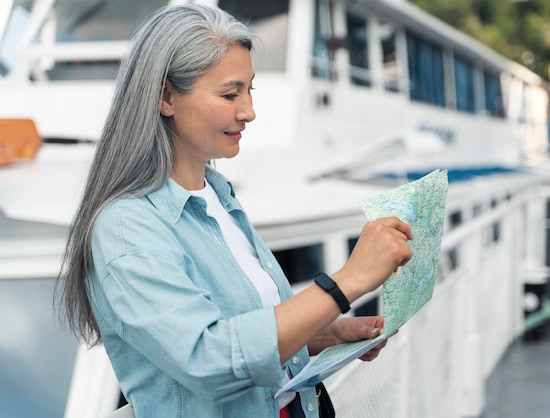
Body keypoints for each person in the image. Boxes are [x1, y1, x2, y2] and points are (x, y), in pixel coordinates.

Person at [55, 4, 413, 418]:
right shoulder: (126, 227)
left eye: (250, 90)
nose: (249, 110)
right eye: (230, 94)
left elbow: (248, 325)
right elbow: (209, 360)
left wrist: (327, 332)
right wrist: (348, 282)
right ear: (166, 97)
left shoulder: (218, 193)